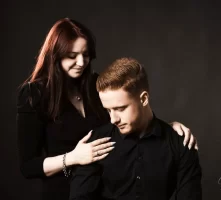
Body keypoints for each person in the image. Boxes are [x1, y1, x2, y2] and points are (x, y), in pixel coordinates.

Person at [16, 18, 198, 200]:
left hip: (102, 187)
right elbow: (28, 166)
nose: (81, 62)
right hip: (61, 189)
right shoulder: (34, 94)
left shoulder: (95, 86)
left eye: (85, 54)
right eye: (72, 56)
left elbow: (131, 108)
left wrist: (169, 130)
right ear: (56, 55)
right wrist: (72, 158)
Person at [69, 58, 202, 200]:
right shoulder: (95, 143)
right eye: (108, 111)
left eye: (120, 109)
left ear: (144, 99)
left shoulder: (180, 144)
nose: (113, 119)